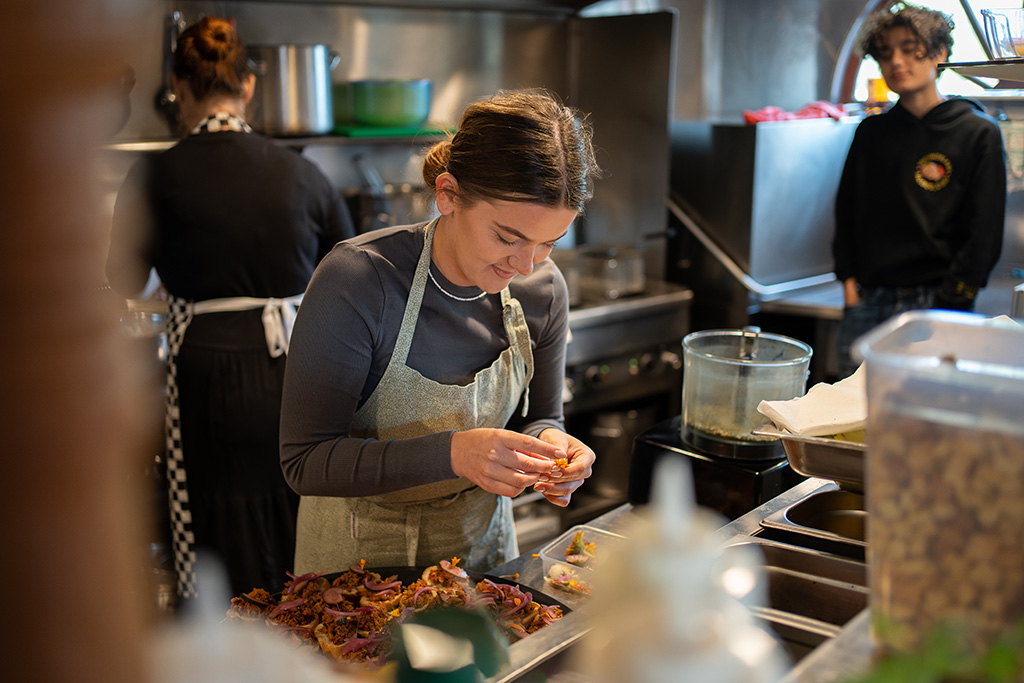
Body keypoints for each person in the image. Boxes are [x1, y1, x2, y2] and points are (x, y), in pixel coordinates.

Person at [280, 89, 600, 574]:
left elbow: (543, 418)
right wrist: (454, 453)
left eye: (548, 243)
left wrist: (554, 448)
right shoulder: (359, 280)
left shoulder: (543, 291)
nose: (525, 264)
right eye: (506, 237)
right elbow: (305, 460)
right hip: (355, 567)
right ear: (447, 194)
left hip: (479, 560)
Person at [105, 16, 356, 599]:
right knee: (300, 517)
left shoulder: (155, 173)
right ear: (248, 87)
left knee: (216, 528)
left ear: (180, 88)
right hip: (300, 368)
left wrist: (174, 291)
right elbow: (347, 269)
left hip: (205, 374)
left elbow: (123, 277)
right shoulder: (303, 171)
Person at [833, 3, 1006, 378]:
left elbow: (985, 232)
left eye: (910, 48)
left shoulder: (977, 132)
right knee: (850, 416)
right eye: (885, 52)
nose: (897, 61)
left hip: (937, 303)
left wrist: (953, 301)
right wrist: (849, 283)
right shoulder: (871, 132)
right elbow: (846, 210)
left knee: (925, 413)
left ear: (940, 53)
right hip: (868, 299)